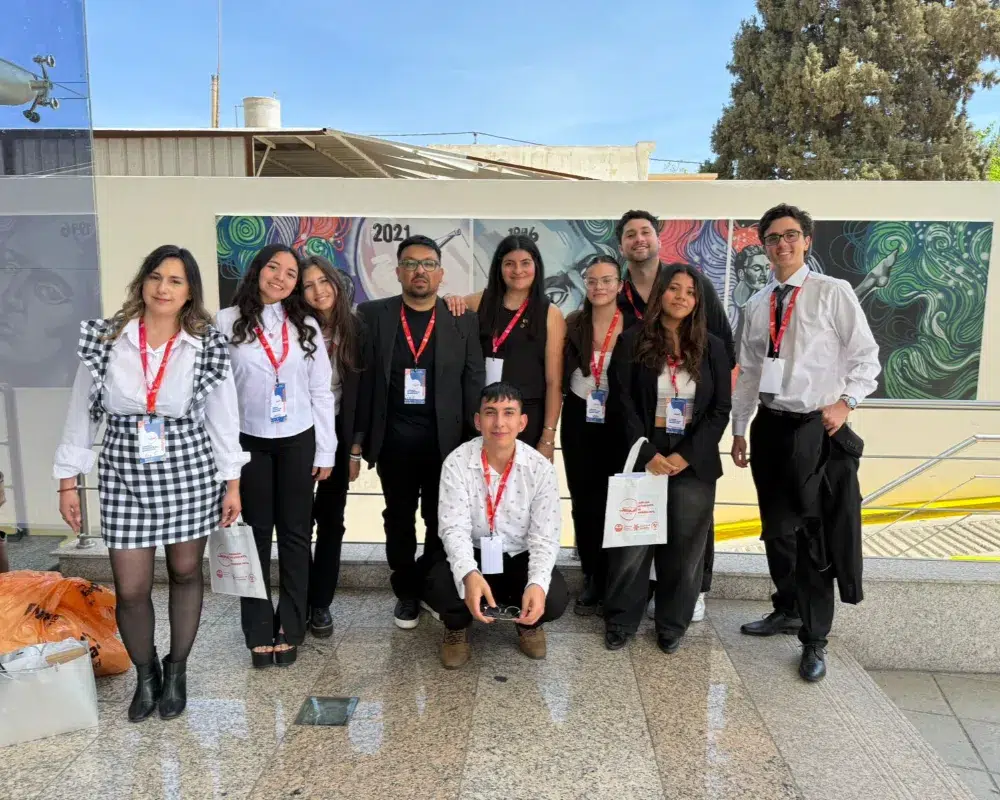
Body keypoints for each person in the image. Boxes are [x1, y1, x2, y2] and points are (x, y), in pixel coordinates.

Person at [54, 244, 247, 722]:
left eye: (176, 280)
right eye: (156, 276)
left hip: (188, 466)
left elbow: (223, 417)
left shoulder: (206, 345)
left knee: (185, 571)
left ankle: (176, 671)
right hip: (123, 468)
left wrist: (232, 483)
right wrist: (67, 481)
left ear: (189, 292)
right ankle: (146, 674)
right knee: (132, 585)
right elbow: (80, 411)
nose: (163, 288)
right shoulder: (106, 338)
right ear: (142, 282)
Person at [731, 203, 880, 683]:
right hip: (770, 427)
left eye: (791, 235)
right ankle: (787, 608)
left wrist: (846, 403)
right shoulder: (757, 304)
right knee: (777, 530)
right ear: (764, 245)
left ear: (807, 240)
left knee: (813, 536)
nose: (782, 244)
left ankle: (815, 638)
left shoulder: (831, 292)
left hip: (818, 428)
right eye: (773, 237)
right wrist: (739, 428)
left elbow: (867, 357)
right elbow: (748, 373)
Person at [354, 234, 485, 629]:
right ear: (397, 272)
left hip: (446, 445)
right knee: (398, 518)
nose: (419, 271)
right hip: (393, 442)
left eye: (428, 263)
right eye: (410, 263)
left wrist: (475, 443)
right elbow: (362, 383)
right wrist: (356, 445)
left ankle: (431, 583)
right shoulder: (372, 315)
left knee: (440, 518)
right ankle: (406, 591)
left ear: (441, 273)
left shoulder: (461, 318)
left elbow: (473, 380)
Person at [215, 244, 336, 668]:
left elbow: (321, 391)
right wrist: (226, 454)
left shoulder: (306, 324)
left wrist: (326, 449)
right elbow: (219, 394)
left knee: (296, 535)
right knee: (254, 536)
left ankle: (292, 626)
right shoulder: (226, 322)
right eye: (273, 268)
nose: (280, 278)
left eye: (290, 273)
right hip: (248, 441)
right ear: (258, 270)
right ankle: (257, 629)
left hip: (297, 439)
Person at [614, 209, 736, 624]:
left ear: (698, 300)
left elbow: (720, 408)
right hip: (646, 448)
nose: (681, 297)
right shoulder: (633, 340)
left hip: (692, 455)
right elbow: (623, 402)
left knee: (685, 548)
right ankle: (622, 621)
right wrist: (647, 452)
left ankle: (673, 623)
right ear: (661, 293)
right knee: (633, 545)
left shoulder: (712, 346)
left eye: (690, 292)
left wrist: (687, 455)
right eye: (674, 289)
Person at [424, 381, 569, 668]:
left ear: (522, 422)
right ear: (478, 421)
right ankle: (456, 627)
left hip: (518, 555)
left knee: (553, 597)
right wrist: (468, 573)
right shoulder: (457, 462)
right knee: (437, 585)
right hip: (474, 551)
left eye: (508, 413)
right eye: (490, 413)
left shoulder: (540, 468)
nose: (499, 423)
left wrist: (536, 584)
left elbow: (545, 536)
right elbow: (453, 529)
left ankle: (528, 624)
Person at [444, 234, 566, 462]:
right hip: (481, 418)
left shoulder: (550, 314)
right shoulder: (477, 303)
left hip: (525, 421)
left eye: (525, 263)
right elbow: (445, 309)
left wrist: (548, 438)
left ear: (536, 266)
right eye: (510, 263)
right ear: (499, 267)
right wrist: (450, 298)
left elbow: (553, 382)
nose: (518, 270)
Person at [301, 256, 365, 638]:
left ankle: (320, 602)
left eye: (324, 281)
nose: (318, 291)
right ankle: (298, 598)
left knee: (330, 520)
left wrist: (355, 450)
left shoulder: (356, 329)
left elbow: (363, 393)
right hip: (295, 434)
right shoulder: (293, 328)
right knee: (296, 522)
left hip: (338, 435)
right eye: (308, 285)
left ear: (337, 285)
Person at [561, 255, 624, 615]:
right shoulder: (574, 322)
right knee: (584, 498)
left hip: (618, 421)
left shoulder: (634, 326)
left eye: (607, 280)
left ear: (619, 284)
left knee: (615, 497)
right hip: (579, 416)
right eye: (592, 280)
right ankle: (592, 575)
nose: (599, 287)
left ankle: (616, 576)